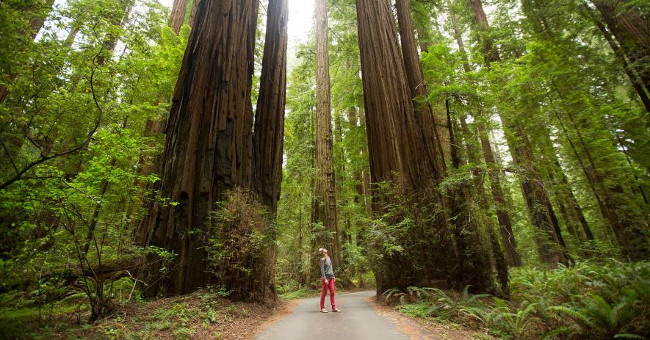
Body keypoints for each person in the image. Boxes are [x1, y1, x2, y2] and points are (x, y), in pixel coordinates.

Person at [318, 248, 340, 313]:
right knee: (324, 293)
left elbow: (331, 267)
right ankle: (322, 308)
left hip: (331, 277)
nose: (324, 249)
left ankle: (334, 308)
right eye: (322, 250)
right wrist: (325, 279)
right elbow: (322, 270)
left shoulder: (328, 257)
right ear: (322, 253)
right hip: (326, 278)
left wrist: (333, 276)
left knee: (332, 292)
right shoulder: (322, 259)